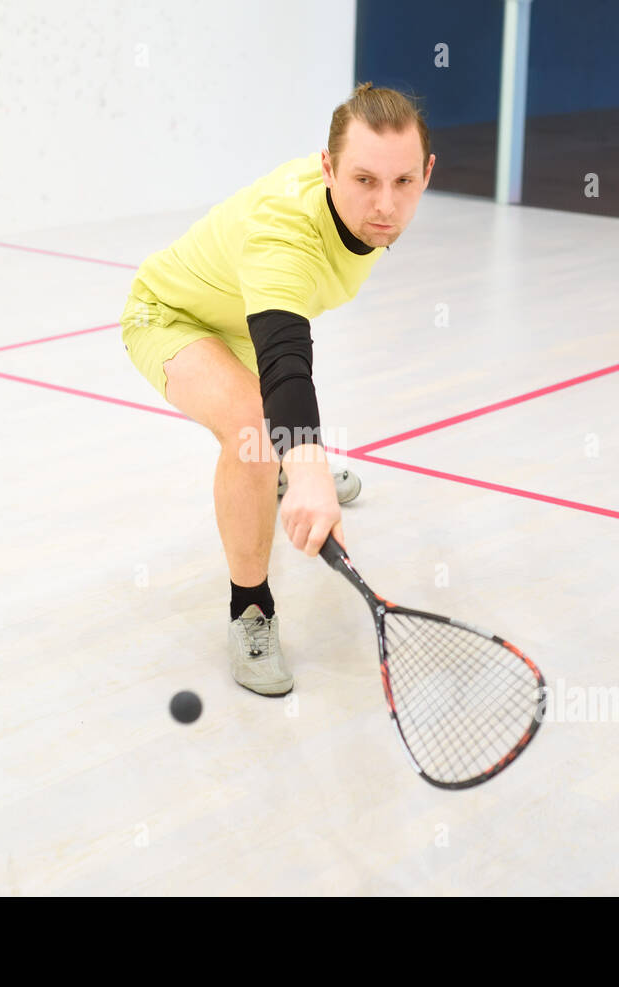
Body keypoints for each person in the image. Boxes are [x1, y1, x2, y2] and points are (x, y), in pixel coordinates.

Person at [120, 82, 436, 697]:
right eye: (364, 180)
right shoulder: (283, 232)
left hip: (243, 321)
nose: (386, 206)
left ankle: (281, 472)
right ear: (327, 168)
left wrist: (300, 458)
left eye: (403, 183)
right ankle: (250, 609)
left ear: (427, 172)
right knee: (251, 430)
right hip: (169, 317)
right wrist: (310, 465)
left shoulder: (377, 214)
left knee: (273, 443)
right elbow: (287, 363)